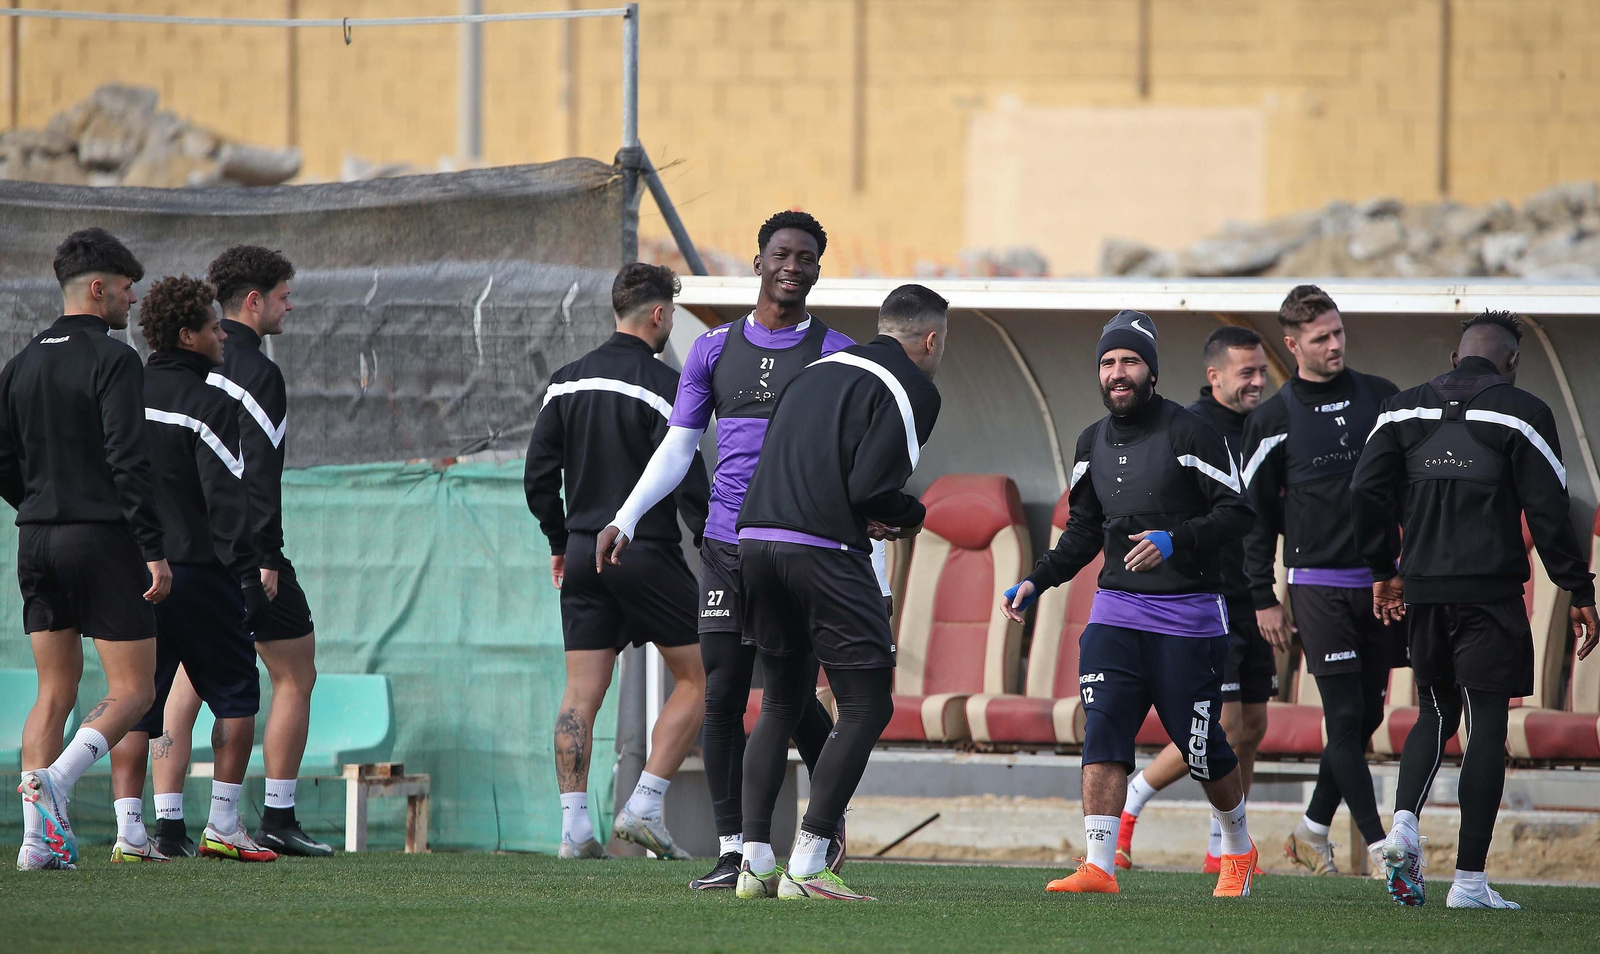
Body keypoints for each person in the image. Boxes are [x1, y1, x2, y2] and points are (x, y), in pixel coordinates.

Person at [596, 211, 882, 889]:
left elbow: (854, 466)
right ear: (757, 264)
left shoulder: (837, 354)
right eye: (781, 254)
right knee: (723, 693)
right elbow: (679, 445)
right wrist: (628, 515)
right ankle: (736, 853)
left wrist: (867, 561)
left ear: (817, 268)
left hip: (804, 546)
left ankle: (821, 829)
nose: (793, 266)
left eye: (806, 257)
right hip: (727, 546)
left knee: (788, 693)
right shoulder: (713, 349)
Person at [1002, 310, 1260, 898]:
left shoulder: (1191, 432)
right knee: (1105, 728)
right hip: (1115, 612)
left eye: (1129, 362)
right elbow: (1085, 530)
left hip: (1189, 617)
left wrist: (1176, 540)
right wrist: (1036, 581)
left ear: (1152, 372)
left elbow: (1238, 513)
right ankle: (1098, 865)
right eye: (1108, 363)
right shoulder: (1091, 441)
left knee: (1200, 746)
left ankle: (1238, 849)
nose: (1118, 373)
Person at [1353, 310, 1597, 910]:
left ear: (1457, 356)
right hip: (1490, 594)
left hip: (1425, 591)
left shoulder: (1401, 409)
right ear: (1512, 361)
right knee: (1486, 727)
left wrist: (1385, 570)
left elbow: (1364, 491)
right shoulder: (1523, 411)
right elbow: (1549, 510)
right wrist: (1580, 591)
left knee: (1434, 709)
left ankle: (1405, 824)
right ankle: (1469, 883)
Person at [734, 284, 946, 902]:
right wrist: (910, 514)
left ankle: (753, 864)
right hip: (821, 549)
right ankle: (809, 860)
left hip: (755, 540)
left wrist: (867, 505)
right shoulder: (915, 387)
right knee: (866, 705)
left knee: (780, 701)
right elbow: (871, 489)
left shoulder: (816, 368)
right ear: (930, 340)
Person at [142, 245, 330, 856]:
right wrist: (265, 560)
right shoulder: (257, 372)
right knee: (294, 670)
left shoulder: (169, 373)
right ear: (253, 301)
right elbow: (259, 474)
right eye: (281, 296)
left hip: (168, 549)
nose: (288, 305)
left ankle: (163, 825)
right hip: (239, 549)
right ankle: (273, 814)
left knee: (181, 683)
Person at [525, 263, 711, 859]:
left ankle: (574, 828)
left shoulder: (564, 382)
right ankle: (645, 805)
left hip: (582, 552)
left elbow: (537, 478)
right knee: (705, 674)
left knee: (580, 691)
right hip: (643, 553)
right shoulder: (669, 385)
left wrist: (560, 541)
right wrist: (713, 547)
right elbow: (687, 479)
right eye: (672, 316)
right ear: (658, 314)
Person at [1, 228, 171, 871]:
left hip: (36, 538)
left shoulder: (18, 363)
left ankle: (34, 843)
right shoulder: (116, 359)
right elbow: (129, 458)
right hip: (102, 537)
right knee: (135, 689)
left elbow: (2, 461)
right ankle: (60, 780)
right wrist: (152, 548)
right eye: (128, 289)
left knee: (54, 691)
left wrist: (40, 507)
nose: (133, 301)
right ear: (97, 288)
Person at [107, 275, 276, 863]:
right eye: (211, 327)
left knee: (135, 701)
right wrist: (250, 573)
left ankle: (131, 835)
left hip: (132, 572)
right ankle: (225, 826)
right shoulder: (211, 401)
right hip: (199, 572)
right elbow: (227, 500)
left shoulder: (122, 393)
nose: (222, 336)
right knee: (236, 694)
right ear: (187, 335)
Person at [1240, 284, 1399, 876]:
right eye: (1320, 338)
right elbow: (1254, 517)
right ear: (1293, 344)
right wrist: (1264, 596)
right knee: (1346, 717)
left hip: (1382, 584)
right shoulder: (1273, 418)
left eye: (1338, 332)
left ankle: (1309, 830)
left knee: (1369, 714)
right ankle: (1384, 850)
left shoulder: (1382, 398)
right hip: (1316, 586)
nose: (1335, 345)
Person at [1117, 326, 1274, 872]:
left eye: (1261, 370)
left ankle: (1223, 851)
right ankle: (1133, 799)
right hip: (1211, 597)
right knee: (1219, 725)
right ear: (1215, 376)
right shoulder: (1191, 427)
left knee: (1251, 727)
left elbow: (1266, 516)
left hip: (1255, 595)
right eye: (1246, 372)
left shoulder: (1267, 427)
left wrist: (1271, 592)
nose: (1258, 381)